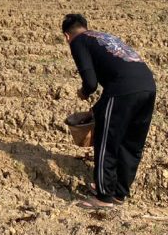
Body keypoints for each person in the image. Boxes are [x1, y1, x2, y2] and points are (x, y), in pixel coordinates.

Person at [61, 13, 156, 210]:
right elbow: (115, 81)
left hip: (123, 89)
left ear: (66, 36)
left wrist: (83, 92)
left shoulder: (78, 42)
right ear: (86, 27)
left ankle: (103, 197)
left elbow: (91, 83)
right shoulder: (103, 37)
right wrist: (94, 111)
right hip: (148, 86)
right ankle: (120, 194)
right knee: (132, 143)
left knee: (106, 141)